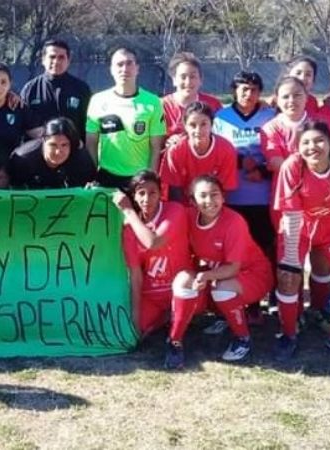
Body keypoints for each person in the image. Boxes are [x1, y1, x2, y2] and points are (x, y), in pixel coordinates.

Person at [272, 120, 330, 362]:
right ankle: (288, 334)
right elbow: (291, 215)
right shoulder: (292, 167)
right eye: (305, 142)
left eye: (318, 141)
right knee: (288, 277)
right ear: (297, 147)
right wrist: (292, 261)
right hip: (299, 230)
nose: (312, 147)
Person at [167, 175, 274, 367]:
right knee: (183, 280)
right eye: (203, 196)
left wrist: (205, 276)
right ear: (192, 201)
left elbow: (233, 267)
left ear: (223, 197)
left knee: (222, 287)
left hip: (253, 273)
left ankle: (243, 338)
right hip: (217, 271)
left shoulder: (234, 221)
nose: (209, 201)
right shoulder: (189, 216)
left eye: (215, 195)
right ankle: (174, 342)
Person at [213, 71, 277, 321]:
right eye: (243, 89)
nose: (248, 94)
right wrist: (242, 160)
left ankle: (263, 298)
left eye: (253, 89)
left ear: (260, 92)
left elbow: (278, 151)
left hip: (263, 197)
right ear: (234, 91)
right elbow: (216, 151)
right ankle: (236, 300)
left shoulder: (270, 117)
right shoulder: (221, 118)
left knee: (263, 249)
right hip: (232, 197)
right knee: (234, 252)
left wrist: (260, 169)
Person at [113, 170, 191, 339]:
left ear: (161, 192)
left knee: (186, 290)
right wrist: (135, 321)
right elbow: (135, 275)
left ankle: (175, 318)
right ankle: (162, 318)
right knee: (134, 330)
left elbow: (153, 243)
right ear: (133, 196)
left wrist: (128, 211)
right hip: (152, 296)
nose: (146, 199)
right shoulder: (129, 229)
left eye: (152, 192)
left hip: (180, 289)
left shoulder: (174, 211)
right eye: (141, 193)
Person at [86, 47, 165, 189]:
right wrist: (92, 175)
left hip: (139, 179)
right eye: (119, 64)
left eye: (129, 63)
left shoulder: (153, 102)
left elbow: (155, 147)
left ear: (137, 68)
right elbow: (91, 142)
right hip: (106, 177)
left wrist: (150, 180)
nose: (125, 68)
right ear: (111, 69)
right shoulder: (97, 100)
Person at [261, 77, 330, 176]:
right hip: (289, 184)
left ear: (306, 97)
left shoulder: (323, 122)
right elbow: (275, 162)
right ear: (277, 100)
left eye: (297, 95)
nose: (291, 101)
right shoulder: (270, 128)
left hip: (325, 182)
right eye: (285, 97)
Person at [159, 101, 238, 202]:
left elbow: (226, 189)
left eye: (203, 124)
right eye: (192, 125)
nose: (198, 130)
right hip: (185, 205)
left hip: (213, 206)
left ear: (212, 124)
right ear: (185, 126)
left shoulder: (226, 149)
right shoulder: (176, 150)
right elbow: (174, 190)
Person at [20, 39, 92, 139]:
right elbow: (22, 123)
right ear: (43, 60)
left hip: (73, 150)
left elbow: (90, 125)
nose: (56, 61)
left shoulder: (81, 88)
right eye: (52, 57)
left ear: (68, 61)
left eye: (61, 57)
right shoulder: (31, 89)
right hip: (39, 151)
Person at [7, 117, 96, 189]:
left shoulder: (81, 160)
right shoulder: (23, 159)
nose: (58, 152)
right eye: (53, 145)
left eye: (64, 145)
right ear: (43, 141)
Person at [161, 52, 222, 148]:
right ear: (174, 80)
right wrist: (167, 142)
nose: (188, 82)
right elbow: (153, 143)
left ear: (200, 80)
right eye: (183, 77)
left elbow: (222, 138)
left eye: (193, 76)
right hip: (173, 160)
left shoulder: (213, 104)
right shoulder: (162, 106)